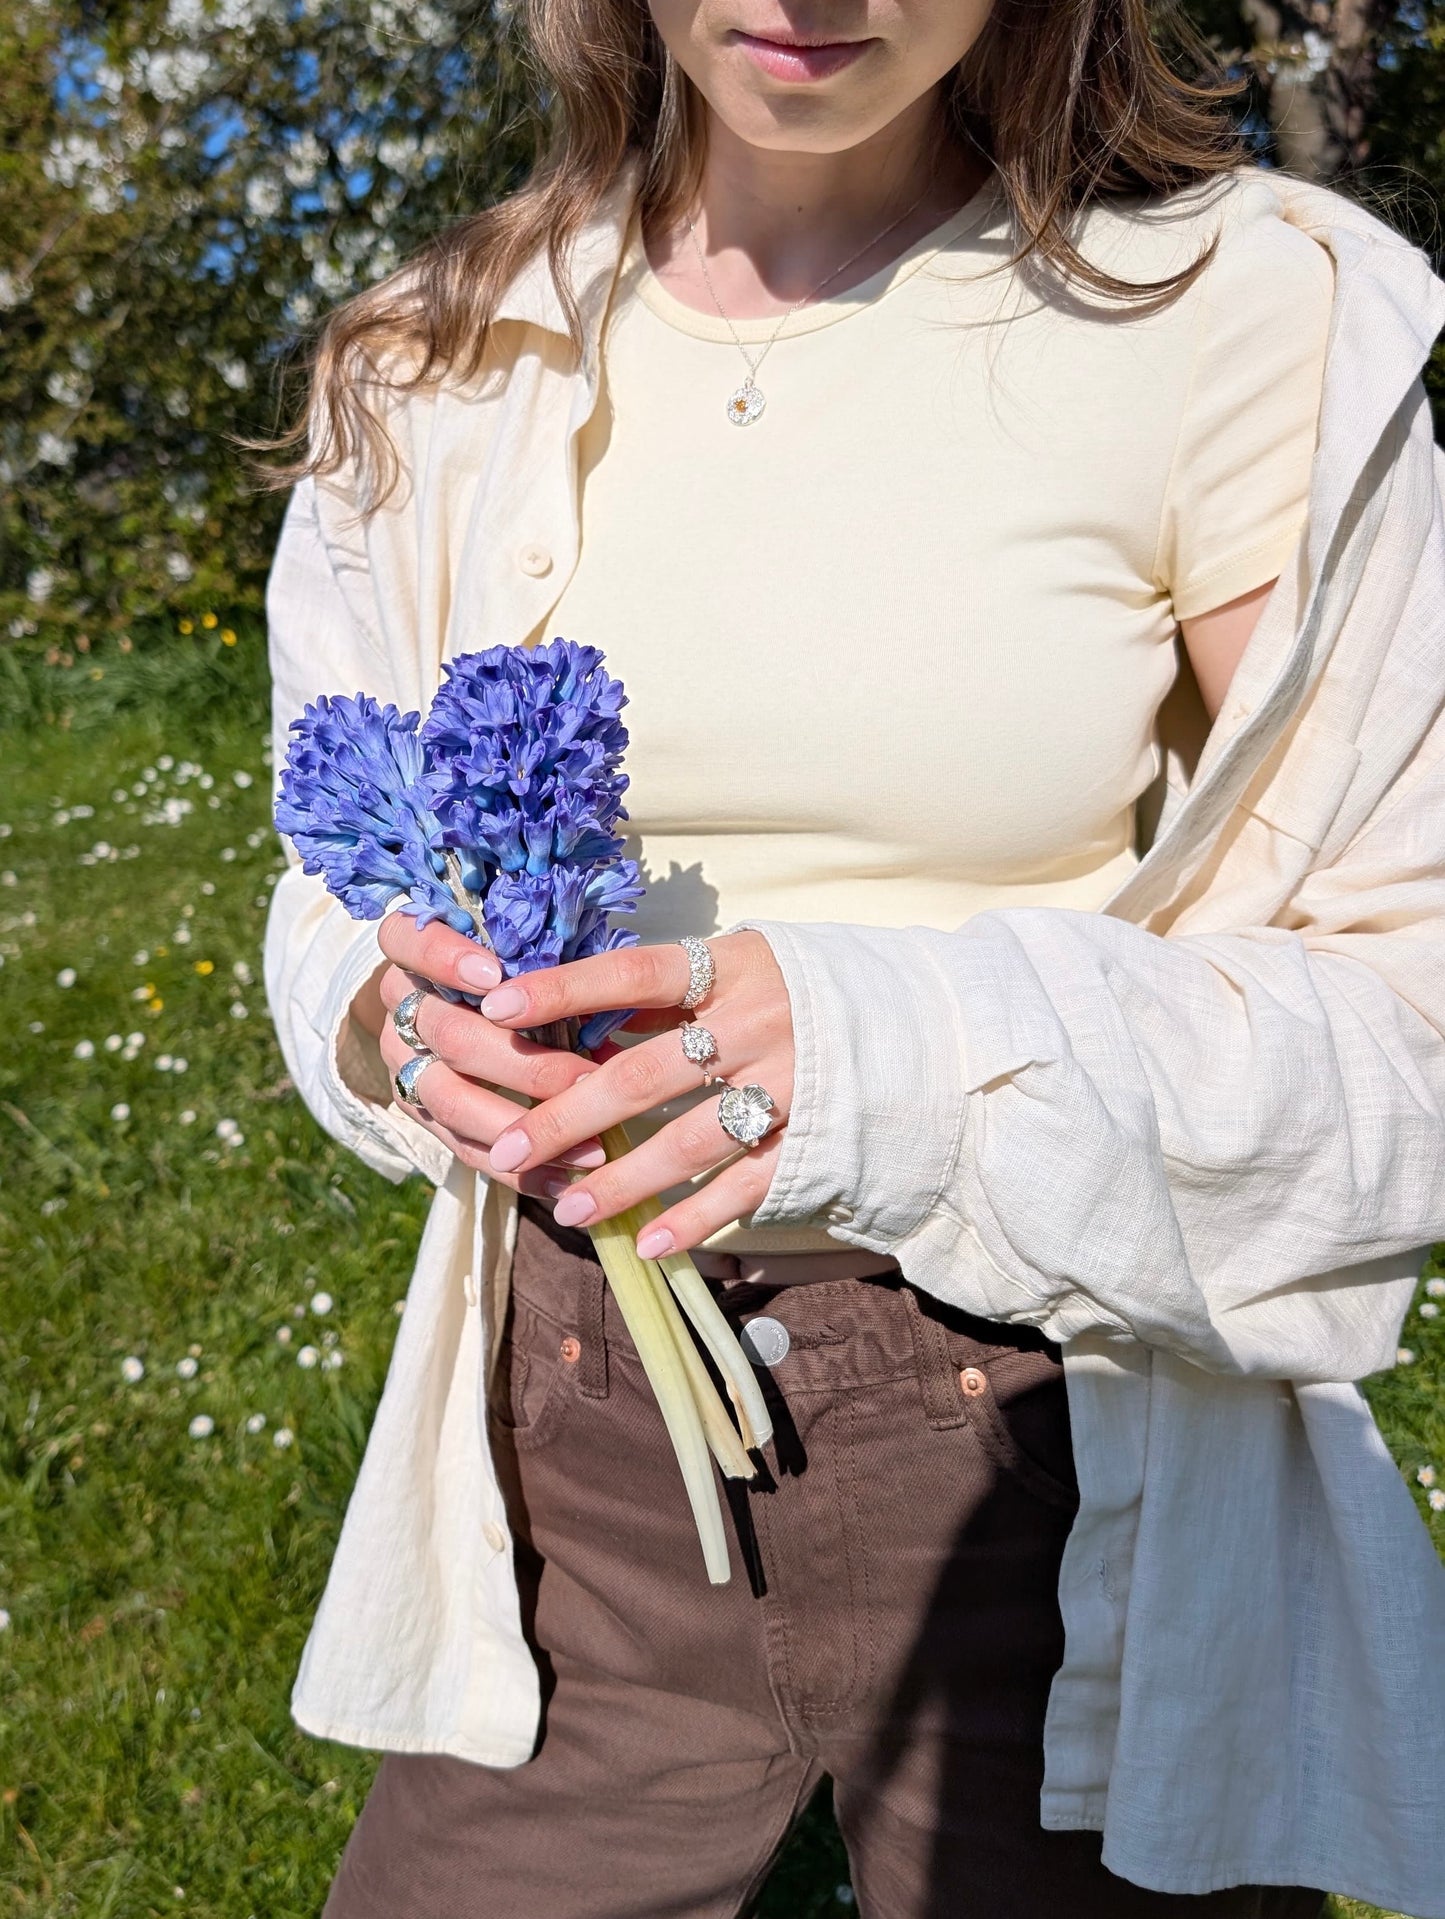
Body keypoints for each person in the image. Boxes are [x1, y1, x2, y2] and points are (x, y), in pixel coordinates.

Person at [260, 2, 1445, 1914]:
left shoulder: (1241, 318)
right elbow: (332, 858)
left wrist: (886, 1058)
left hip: (1039, 1437)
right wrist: (389, 1019)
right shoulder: (436, 359)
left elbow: (1413, 1005)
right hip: (569, 1419)